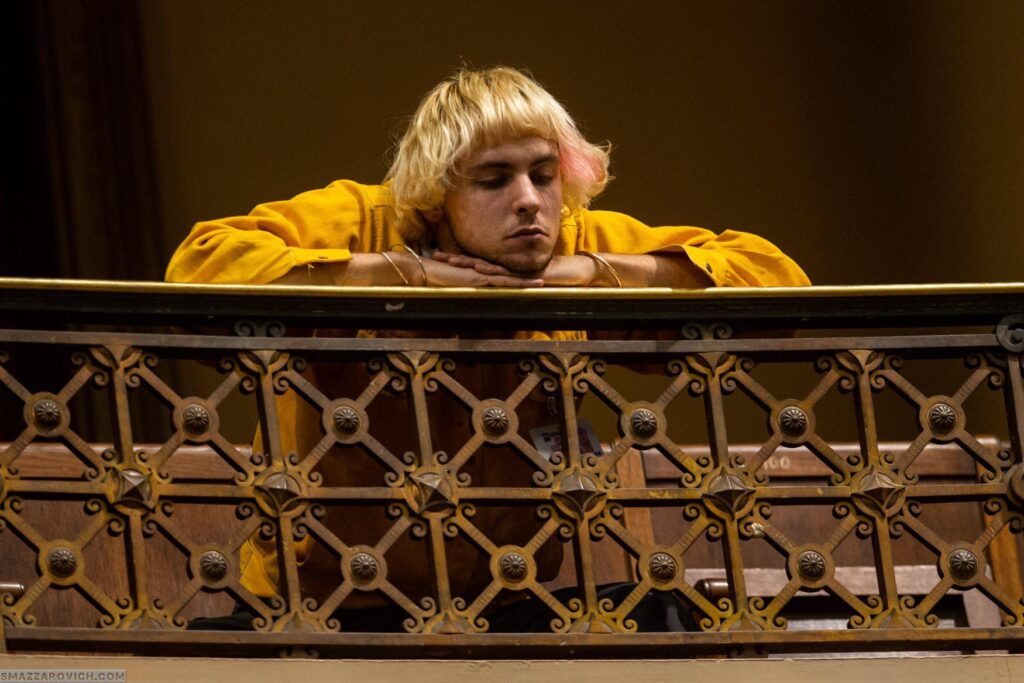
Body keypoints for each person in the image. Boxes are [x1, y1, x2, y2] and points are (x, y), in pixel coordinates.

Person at [168, 66, 809, 632]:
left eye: (544, 175)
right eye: (494, 180)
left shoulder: (570, 241)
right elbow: (199, 268)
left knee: (663, 617)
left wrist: (587, 274)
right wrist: (405, 274)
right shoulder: (366, 219)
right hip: (316, 613)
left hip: (498, 612)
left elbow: (777, 282)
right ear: (436, 195)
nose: (529, 200)